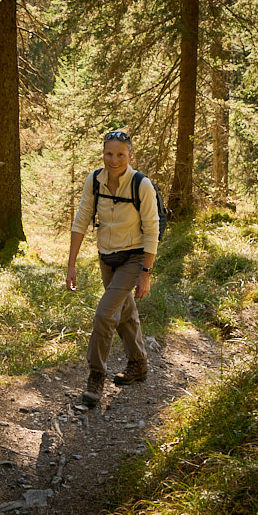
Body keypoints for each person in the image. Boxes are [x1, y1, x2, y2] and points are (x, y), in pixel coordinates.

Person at [66, 130, 160, 408]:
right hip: (106, 257)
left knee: (105, 314)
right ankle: (138, 363)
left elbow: (152, 229)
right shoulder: (95, 181)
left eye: (120, 154)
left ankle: (96, 375)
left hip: (134, 257)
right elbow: (81, 220)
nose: (114, 159)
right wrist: (71, 265)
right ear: (103, 154)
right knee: (126, 313)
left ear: (130, 155)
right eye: (109, 153)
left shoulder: (141, 184)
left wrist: (146, 273)